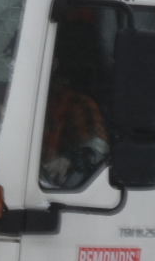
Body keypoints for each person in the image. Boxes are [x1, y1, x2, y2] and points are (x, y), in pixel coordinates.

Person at [39, 10, 110, 188]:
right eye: (12, 61)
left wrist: (69, 161)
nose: (15, 68)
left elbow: (97, 146)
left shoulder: (76, 104)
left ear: (53, 64)